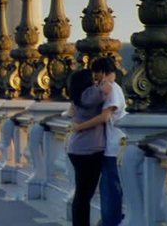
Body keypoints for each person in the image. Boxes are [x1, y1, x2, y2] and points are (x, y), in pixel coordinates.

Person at [72, 57, 127, 226]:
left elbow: (104, 116)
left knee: (108, 191)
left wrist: (79, 126)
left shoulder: (112, 89)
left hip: (111, 147)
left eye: (96, 76)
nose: (95, 80)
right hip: (104, 147)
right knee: (106, 190)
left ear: (103, 73)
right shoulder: (106, 89)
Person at [67, 69, 110, 226]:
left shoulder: (77, 95)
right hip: (89, 150)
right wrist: (105, 79)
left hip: (76, 149)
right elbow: (107, 89)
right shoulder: (90, 94)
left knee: (81, 193)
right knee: (84, 195)